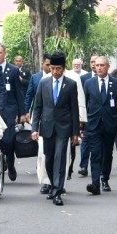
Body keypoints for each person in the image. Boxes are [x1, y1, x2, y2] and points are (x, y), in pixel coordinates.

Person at [30, 52, 80, 205]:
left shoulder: (71, 84)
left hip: (64, 128)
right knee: (49, 159)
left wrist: (75, 133)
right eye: (52, 68)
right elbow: (37, 107)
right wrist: (34, 128)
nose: (55, 71)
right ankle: (53, 184)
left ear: (63, 68)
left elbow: (74, 110)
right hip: (47, 127)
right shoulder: (43, 83)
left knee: (59, 157)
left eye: (58, 68)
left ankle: (58, 191)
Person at [83, 56, 117, 195]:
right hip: (93, 125)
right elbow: (84, 105)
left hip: (110, 125)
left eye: (102, 65)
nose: (99, 68)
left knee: (107, 154)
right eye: (97, 65)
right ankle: (95, 183)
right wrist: (82, 126)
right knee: (95, 153)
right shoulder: (88, 83)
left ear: (108, 66)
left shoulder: (116, 83)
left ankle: (105, 179)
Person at [0, 42, 25, 181]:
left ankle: (10, 163)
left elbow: (18, 93)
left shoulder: (13, 70)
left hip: (9, 110)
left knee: (9, 141)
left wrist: (22, 112)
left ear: (5, 54)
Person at [23, 53, 53, 193]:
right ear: (42, 64)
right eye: (47, 65)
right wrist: (26, 111)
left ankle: (56, 178)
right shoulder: (35, 78)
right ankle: (45, 180)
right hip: (38, 117)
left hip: (55, 121)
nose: (49, 68)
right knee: (42, 150)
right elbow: (29, 95)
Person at [77, 54, 99, 176]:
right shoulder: (84, 78)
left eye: (96, 62)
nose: (93, 64)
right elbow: (81, 98)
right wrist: (81, 117)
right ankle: (83, 166)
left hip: (100, 118)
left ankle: (98, 167)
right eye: (92, 62)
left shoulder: (108, 79)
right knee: (85, 141)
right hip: (87, 117)